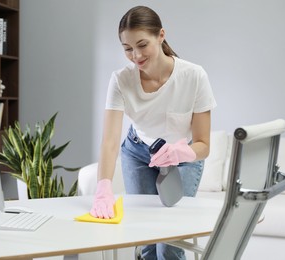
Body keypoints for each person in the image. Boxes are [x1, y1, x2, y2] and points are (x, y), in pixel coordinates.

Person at [89, 5, 217, 260]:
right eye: (127, 48)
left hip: (183, 158)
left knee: (170, 241)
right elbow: (110, 141)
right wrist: (103, 186)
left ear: (161, 36)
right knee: (145, 238)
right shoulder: (121, 80)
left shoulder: (194, 76)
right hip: (138, 153)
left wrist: (182, 151)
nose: (135, 55)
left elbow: (204, 144)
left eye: (142, 44)